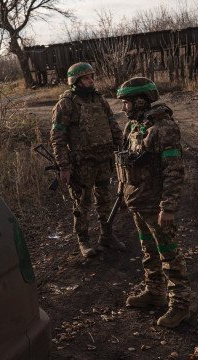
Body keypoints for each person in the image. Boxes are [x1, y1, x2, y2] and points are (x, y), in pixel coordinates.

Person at [115, 77, 191, 328]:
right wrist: (122, 191)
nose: (123, 108)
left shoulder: (163, 127)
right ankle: (155, 292)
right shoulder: (134, 126)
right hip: (138, 201)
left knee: (168, 254)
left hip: (155, 204)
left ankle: (180, 306)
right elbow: (124, 161)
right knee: (148, 251)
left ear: (139, 100)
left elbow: (174, 170)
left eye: (126, 103)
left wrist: (167, 207)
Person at [50, 62, 125, 258]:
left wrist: (121, 146)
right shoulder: (66, 104)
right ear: (75, 81)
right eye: (86, 78)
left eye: (92, 76)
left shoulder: (99, 100)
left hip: (103, 160)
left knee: (105, 200)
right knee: (83, 203)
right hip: (82, 163)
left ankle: (107, 235)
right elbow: (58, 137)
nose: (91, 80)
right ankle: (83, 240)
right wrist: (64, 166)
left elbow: (112, 124)